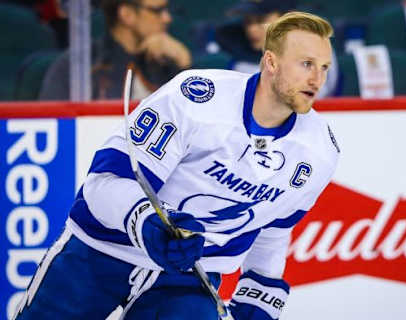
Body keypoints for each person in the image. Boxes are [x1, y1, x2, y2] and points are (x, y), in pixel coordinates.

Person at [14, 11, 340, 320]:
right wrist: (147, 224)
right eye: (306, 64)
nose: (317, 79)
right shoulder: (197, 99)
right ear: (271, 61)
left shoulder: (319, 151)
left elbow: (273, 228)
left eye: (324, 67)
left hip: (187, 278)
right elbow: (103, 184)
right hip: (100, 252)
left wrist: (260, 291)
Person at [39, 0, 191, 100]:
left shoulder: (168, 61)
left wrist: (185, 70)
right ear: (127, 14)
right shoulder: (78, 65)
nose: (167, 18)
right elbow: (54, 123)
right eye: (158, 11)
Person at [216, 0, 340, 97]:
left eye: (261, 20)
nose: (251, 29)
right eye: (248, 21)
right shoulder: (240, 59)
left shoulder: (318, 47)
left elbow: (317, 95)